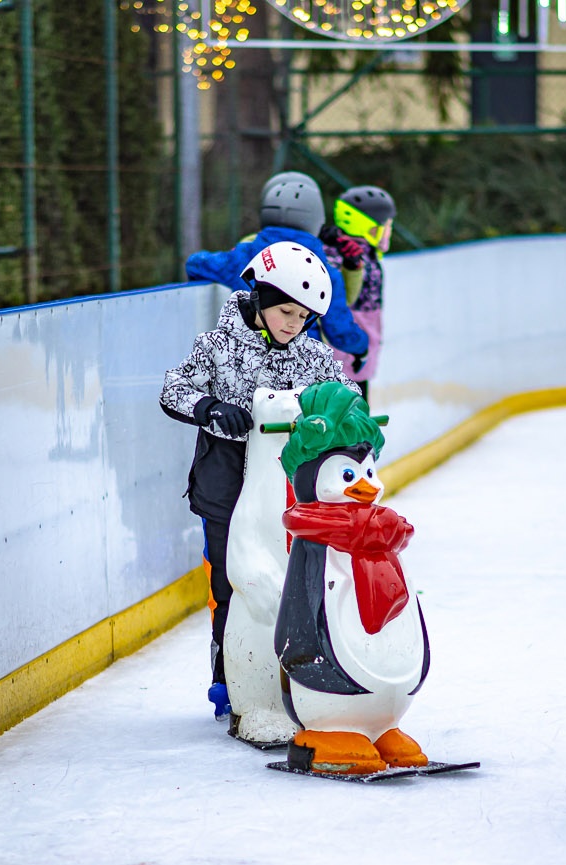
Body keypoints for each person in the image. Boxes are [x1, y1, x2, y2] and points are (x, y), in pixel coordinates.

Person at [160, 241, 362, 721]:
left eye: (304, 317)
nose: (294, 324)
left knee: (300, 580)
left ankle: (305, 671)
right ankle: (230, 676)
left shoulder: (311, 354)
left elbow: (349, 394)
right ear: (260, 297)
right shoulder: (217, 346)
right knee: (234, 583)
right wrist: (210, 408)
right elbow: (174, 388)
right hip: (226, 484)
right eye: (286, 311)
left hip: (289, 486)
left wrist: (333, 418)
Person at [185, 171, 370, 366]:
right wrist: (362, 348)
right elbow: (339, 331)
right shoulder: (325, 272)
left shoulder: (241, 257)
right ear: (317, 218)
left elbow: (196, 263)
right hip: (300, 363)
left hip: (247, 359)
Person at [322, 185, 398, 404]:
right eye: (387, 226)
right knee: (352, 417)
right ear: (371, 229)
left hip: (351, 358)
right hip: (346, 360)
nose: (389, 231)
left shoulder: (340, 251)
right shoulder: (356, 259)